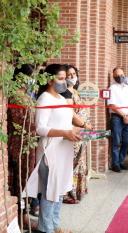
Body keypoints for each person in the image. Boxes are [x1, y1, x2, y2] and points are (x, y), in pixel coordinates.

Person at [24, 64, 82, 233]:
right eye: (61, 78)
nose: (65, 82)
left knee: (59, 190)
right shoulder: (44, 99)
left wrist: (78, 129)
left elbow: (68, 121)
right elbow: (40, 128)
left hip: (64, 150)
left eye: (66, 78)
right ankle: (45, 228)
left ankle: (55, 226)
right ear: (50, 79)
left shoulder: (62, 99)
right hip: (50, 151)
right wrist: (64, 132)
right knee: (50, 192)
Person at [7, 64, 38, 229]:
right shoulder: (16, 97)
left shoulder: (25, 96)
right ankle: (21, 216)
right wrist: (39, 130)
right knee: (22, 179)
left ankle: (24, 214)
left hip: (29, 142)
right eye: (30, 76)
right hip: (20, 144)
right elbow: (21, 123)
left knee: (27, 178)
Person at [62, 65, 92, 204]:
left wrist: (87, 124)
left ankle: (78, 190)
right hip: (73, 131)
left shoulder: (76, 92)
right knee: (71, 163)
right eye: (69, 74)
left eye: (74, 74)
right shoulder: (65, 93)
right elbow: (71, 113)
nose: (72, 77)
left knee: (80, 162)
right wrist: (84, 124)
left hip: (81, 133)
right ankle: (68, 192)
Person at [107, 67, 128, 172]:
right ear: (114, 77)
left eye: (122, 75)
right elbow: (112, 105)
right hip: (117, 118)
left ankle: (120, 161)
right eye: (117, 75)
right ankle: (115, 164)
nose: (120, 77)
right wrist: (124, 116)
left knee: (126, 142)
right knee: (116, 141)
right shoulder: (111, 88)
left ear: (125, 75)